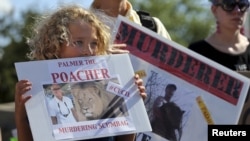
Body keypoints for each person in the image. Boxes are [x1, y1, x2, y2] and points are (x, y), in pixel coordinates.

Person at [14, 5, 147, 141]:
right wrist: (21, 114)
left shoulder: (108, 85)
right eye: (78, 42)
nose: (88, 51)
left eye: (94, 43)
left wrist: (132, 106)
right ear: (55, 45)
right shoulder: (38, 88)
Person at [188, 0, 250, 71]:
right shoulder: (197, 53)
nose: (237, 10)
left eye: (243, 4)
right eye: (229, 4)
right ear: (214, 10)